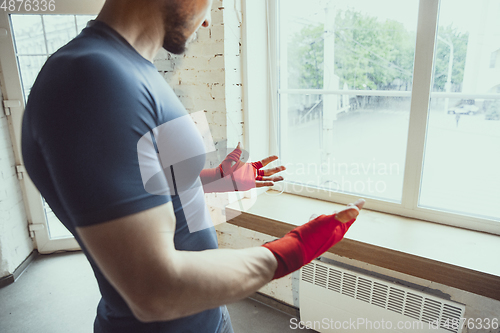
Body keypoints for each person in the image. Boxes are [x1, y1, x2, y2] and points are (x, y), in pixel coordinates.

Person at [21, 0, 365, 332]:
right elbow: (154, 290)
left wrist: (219, 181)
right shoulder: (89, 77)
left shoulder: (133, 69)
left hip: (205, 315)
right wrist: (294, 249)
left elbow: (150, 182)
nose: (207, 21)